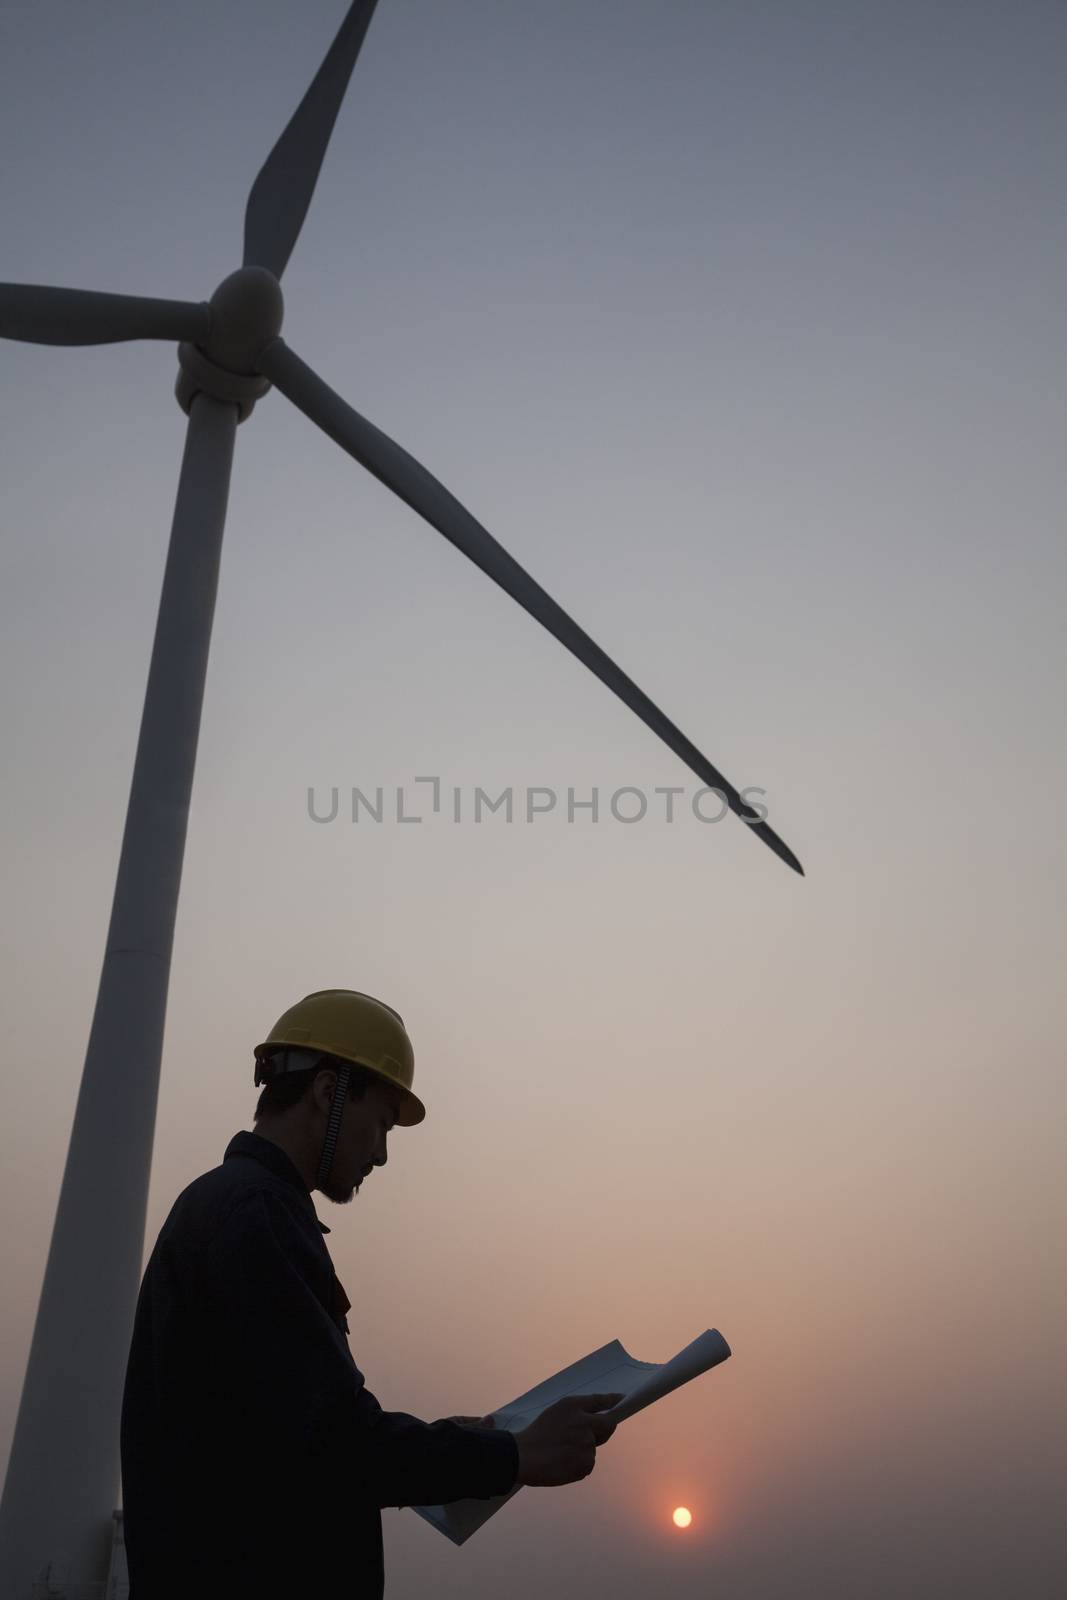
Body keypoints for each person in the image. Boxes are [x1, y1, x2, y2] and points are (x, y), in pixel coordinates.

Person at [119, 989, 621, 1598]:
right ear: (328, 1094)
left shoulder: (240, 1208)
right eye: (381, 1122)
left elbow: (298, 1444)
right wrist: (513, 1455)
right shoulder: (254, 1215)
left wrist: (465, 1444)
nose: (381, 1154)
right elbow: (338, 1445)